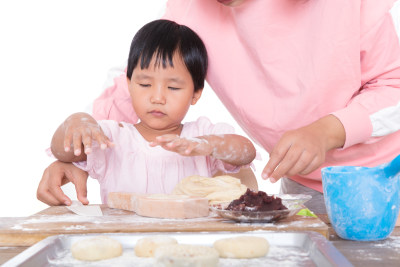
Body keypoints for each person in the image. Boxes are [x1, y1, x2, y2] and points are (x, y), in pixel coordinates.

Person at [38, 0, 400, 214]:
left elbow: (393, 85)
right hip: (308, 184)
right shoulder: (192, 7)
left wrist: (328, 130)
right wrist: (75, 148)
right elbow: (146, 77)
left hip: (390, 176)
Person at [45, 19, 257, 204]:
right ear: (129, 84)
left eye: (173, 88)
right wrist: (76, 120)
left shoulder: (200, 134)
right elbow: (61, 151)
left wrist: (206, 145)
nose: (157, 97)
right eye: (145, 84)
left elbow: (246, 151)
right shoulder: (112, 137)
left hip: (186, 244)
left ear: (196, 93)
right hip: (126, 243)